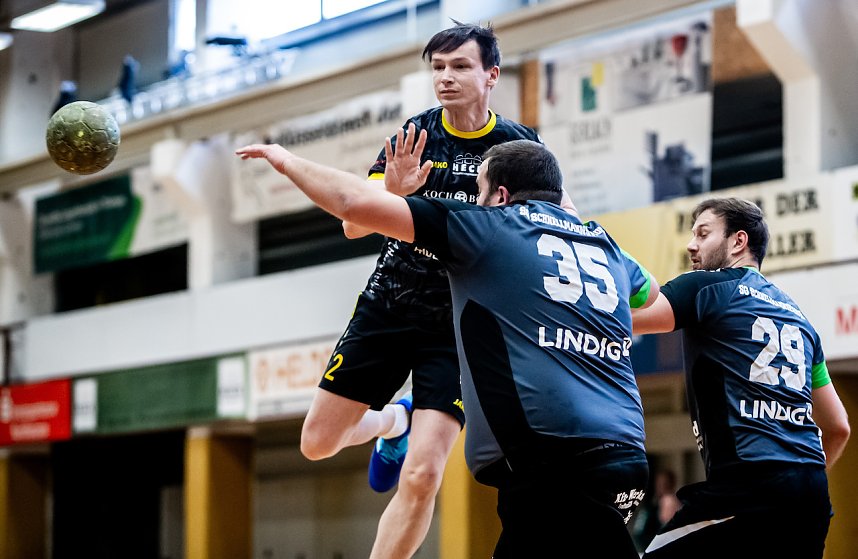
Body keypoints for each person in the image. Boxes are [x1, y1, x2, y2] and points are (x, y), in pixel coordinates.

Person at [236, 137, 660, 557]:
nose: (475, 199)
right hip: (626, 458)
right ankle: (395, 423)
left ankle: (396, 423)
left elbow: (351, 204)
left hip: (549, 460)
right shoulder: (605, 245)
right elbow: (651, 294)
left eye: (479, 190)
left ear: (501, 195)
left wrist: (286, 159)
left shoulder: (491, 227)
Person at [294, 22, 565, 559]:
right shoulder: (414, 135)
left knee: (422, 475)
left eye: (459, 66)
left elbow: (555, 218)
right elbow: (353, 225)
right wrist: (391, 192)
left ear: (491, 75)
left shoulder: (518, 144)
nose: (445, 78)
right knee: (317, 443)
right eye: (437, 68)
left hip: (461, 322)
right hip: (391, 303)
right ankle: (393, 421)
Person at [631, 197, 851, 559]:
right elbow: (839, 427)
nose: (691, 244)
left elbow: (626, 318)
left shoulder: (706, 287)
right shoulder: (800, 320)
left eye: (703, 233)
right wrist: (791, 483)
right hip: (810, 497)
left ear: (738, 241)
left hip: (747, 488)